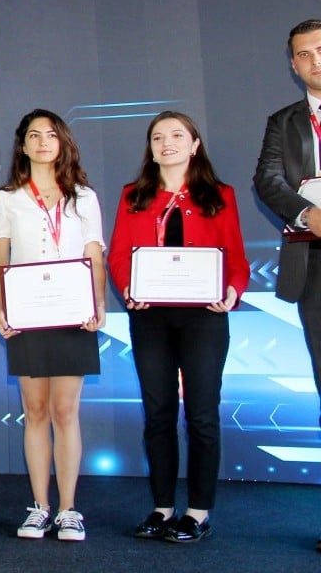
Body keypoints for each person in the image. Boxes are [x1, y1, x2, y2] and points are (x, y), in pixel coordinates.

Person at [107, 111, 248, 544]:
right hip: (150, 317)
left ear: (195, 144)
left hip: (203, 317)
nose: (166, 143)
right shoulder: (133, 195)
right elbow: (117, 255)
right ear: (150, 148)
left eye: (176, 135)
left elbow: (237, 258)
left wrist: (231, 290)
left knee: (202, 415)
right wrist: (129, 289)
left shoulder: (219, 195)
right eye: (157, 137)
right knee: (158, 414)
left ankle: (198, 512)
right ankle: (162, 507)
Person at [0, 109, 105, 541]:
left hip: (73, 313)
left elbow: (95, 254)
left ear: (63, 142)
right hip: (28, 315)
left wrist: (99, 303)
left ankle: (69, 509)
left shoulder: (84, 197)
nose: (42, 142)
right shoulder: (7, 199)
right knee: (34, 411)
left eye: (51, 135)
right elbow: (1, 262)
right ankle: (39, 506)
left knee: (65, 411)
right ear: (23, 145)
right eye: (33, 135)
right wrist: (2, 308)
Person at [254, 19, 321, 552]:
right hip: (313, 262)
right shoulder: (284, 121)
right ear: (293, 64)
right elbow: (268, 180)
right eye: (305, 54)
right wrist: (307, 214)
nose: (315, 60)